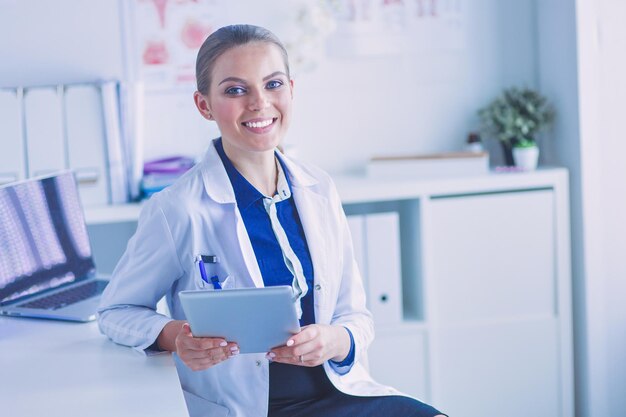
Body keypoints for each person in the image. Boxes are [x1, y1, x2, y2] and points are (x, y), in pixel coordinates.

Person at [98, 24, 446, 417]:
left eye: (273, 84)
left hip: (341, 395)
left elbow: (357, 316)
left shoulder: (319, 188)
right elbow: (116, 312)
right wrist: (174, 336)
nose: (259, 103)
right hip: (250, 407)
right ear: (204, 105)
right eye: (235, 90)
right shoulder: (177, 208)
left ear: (292, 90)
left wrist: (337, 339)